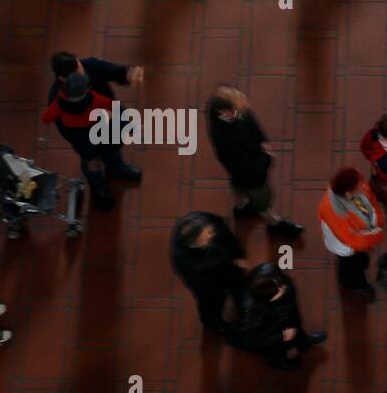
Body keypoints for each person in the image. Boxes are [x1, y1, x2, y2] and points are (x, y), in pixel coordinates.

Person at [43, 56, 144, 209]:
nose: (81, 73)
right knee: (92, 164)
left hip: (110, 128)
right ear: (62, 79)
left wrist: (128, 73)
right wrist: (86, 147)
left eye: (79, 67)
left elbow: (113, 72)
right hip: (86, 140)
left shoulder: (90, 66)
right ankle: (99, 190)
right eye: (76, 73)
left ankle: (117, 168)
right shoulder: (56, 98)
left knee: (113, 151)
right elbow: (64, 129)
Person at [206, 86, 303, 237]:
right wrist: (267, 158)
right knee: (263, 198)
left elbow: (251, 122)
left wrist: (262, 140)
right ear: (225, 112)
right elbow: (248, 167)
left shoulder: (233, 112)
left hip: (240, 172)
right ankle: (274, 223)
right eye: (241, 103)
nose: (246, 104)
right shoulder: (227, 139)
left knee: (238, 187)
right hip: (251, 174)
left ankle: (242, 208)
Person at [233, 263, 327, 369]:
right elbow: (255, 340)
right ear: (270, 298)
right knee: (276, 350)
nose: (283, 287)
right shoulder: (254, 316)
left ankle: (302, 341)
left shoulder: (269, 283)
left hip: (279, 321)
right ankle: (278, 362)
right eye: (278, 289)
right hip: (271, 340)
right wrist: (282, 336)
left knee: (292, 321)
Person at [169, 211, 247, 333]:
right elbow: (202, 286)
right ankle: (213, 324)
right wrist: (221, 288)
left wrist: (237, 254)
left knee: (240, 288)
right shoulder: (186, 263)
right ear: (193, 244)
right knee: (211, 307)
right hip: (211, 286)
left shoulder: (202, 220)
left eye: (209, 230)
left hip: (230, 268)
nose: (213, 234)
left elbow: (224, 230)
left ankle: (243, 307)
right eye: (207, 236)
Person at [318, 167, 386, 298]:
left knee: (357, 259)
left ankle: (359, 262)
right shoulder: (335, 212)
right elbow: (351, 240)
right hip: (345, 245)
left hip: (359, 238)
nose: (363, 186)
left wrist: (377, 222)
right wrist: (375, 235)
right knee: (350, 265)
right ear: (348, 193)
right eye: (359, 185)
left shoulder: (355, 189)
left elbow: (371, 204)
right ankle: (354, 284)